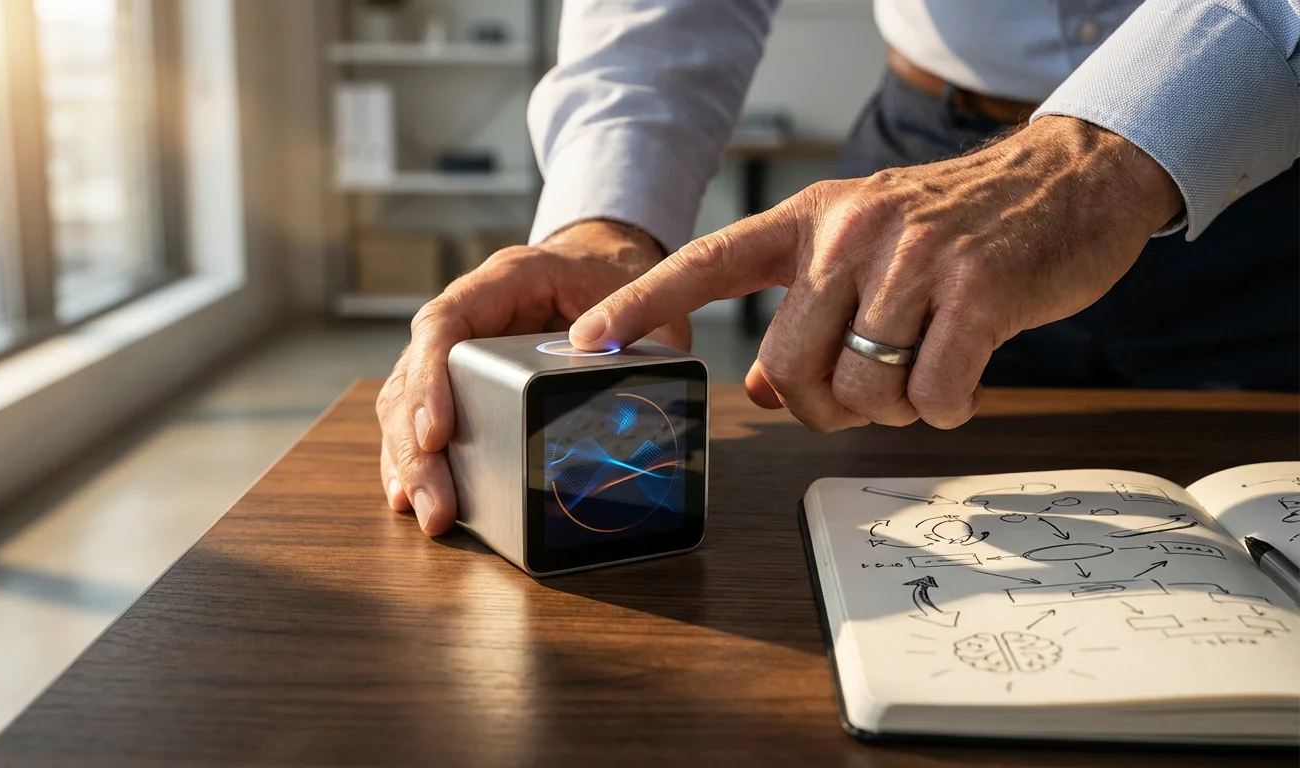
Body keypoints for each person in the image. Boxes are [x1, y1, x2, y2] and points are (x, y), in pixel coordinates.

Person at [377, 0, 1300, 536]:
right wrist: (604, 218)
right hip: (932, 159)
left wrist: (1099, 162)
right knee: (892, 536)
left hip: (1272, 156)